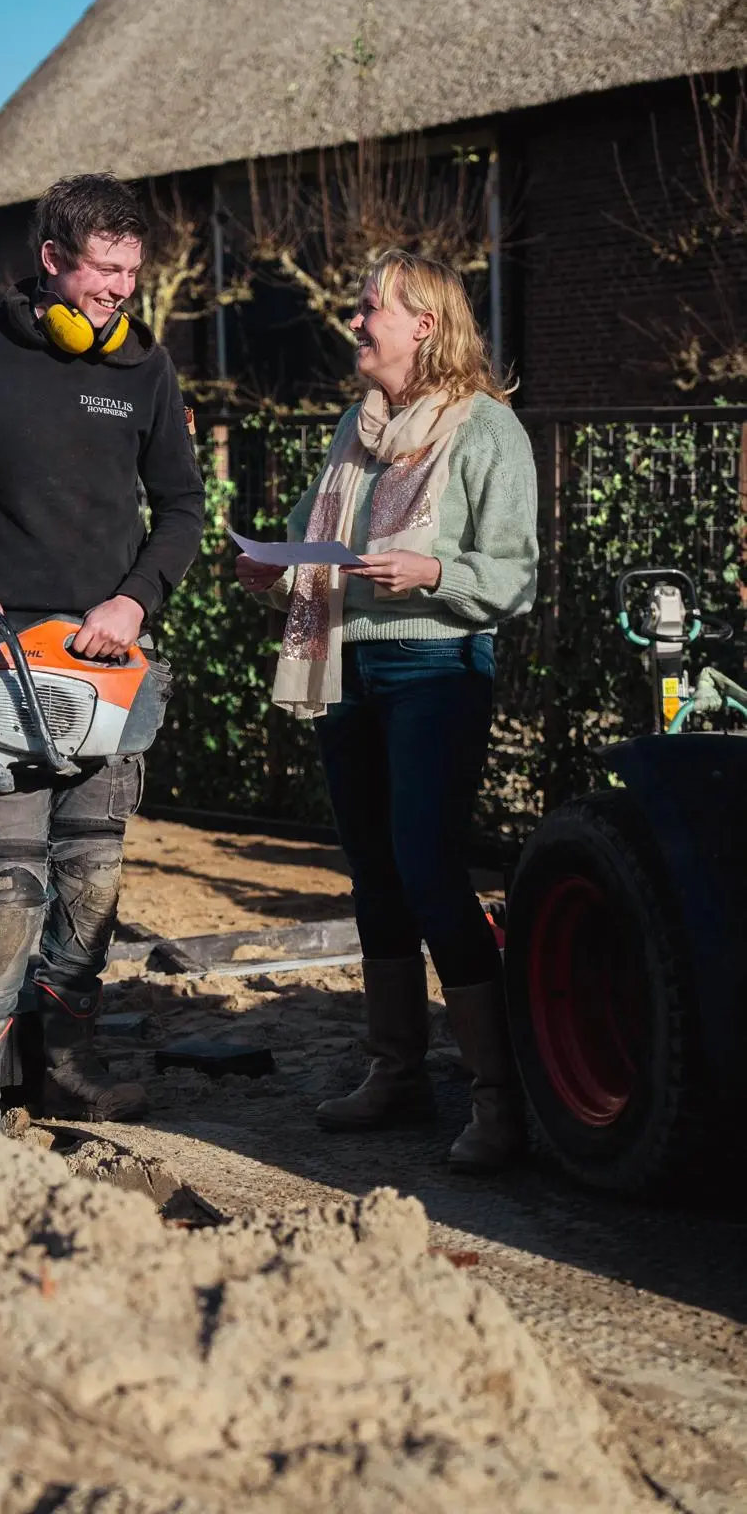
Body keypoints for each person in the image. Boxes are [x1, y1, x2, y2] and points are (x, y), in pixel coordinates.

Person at [0, 172, 204, 1131]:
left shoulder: (144, 366)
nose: (119, 291)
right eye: (104, 271)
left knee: (92, 879)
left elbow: (181, 508)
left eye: (131, 273)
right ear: (52, 260)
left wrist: (135, 600)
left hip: (107, 665)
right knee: (10, 885)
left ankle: (68, 1065)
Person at [237, 249, 538, 1172]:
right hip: (347, 661)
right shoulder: (356, 429)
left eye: (371, 307)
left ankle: (498, 1099)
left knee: (429, 870)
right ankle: (397, 1072)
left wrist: (433, 569)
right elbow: (310, 538)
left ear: (425, 326)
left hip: (436, 664)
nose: (356, 322)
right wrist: (270, 569)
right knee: (374, 874)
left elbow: (517, 575)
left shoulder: (487, 429)